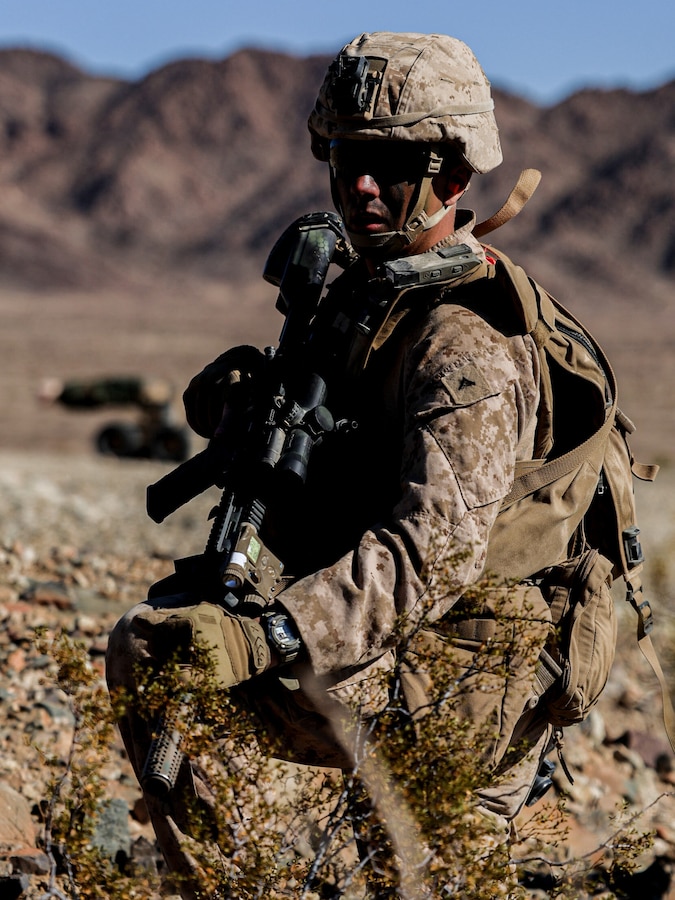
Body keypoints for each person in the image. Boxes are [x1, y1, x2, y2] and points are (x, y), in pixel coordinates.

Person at [106, 32, 591, 896]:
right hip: (393, 638)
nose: (361, 185)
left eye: (391, 165)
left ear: (452, 175)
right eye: (345, 159)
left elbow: (430, 554)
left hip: (465, 678)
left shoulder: (464, 346)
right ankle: (216, 884)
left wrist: (265, 636)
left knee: (413, 877)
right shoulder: (370, 296)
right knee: (154, 648)